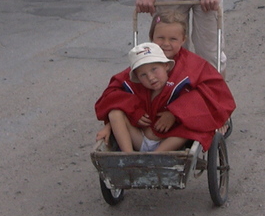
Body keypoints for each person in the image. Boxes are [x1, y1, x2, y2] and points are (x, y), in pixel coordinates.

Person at [95, 39, 234, 152]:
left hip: (168, 142)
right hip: (140, 139)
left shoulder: (181, 84)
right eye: (143, 75)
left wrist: (174, 113)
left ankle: (156, 157)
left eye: (154, 69)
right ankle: (129, 157)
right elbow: (113, 100)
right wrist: (109, 126)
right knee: (115, 112)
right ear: (137, 77)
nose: (151, 77)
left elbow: (198, 103)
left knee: (190, 127)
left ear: (166, 66)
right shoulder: (136, 89)